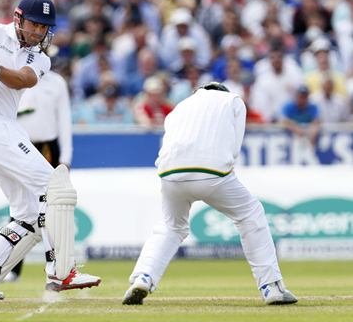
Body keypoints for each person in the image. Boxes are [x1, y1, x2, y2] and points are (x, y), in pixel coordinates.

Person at [0, 0, 100, 300]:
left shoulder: (41, 57)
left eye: (44, 28)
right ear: (18, 18)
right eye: (33, 24)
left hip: (2, 129)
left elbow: (23, 80)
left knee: (29, 214)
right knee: (55, 187)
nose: (37, 32)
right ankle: (62, 272)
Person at [123, 82, 298, 306]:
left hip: (169, 173)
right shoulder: (233, 100)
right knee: (250, 214)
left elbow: (169, 139)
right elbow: (234, 147)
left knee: (170, 227)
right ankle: (271, 287)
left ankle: (143, 277)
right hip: (212, 171)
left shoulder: (181, 106)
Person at [6, 68, 73, 282]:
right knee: (20, 206)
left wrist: (66, 156)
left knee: (52, 208)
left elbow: (64, 119)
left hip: (47, 148)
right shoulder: (15, 76)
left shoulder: (56, 82)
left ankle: (57, 267)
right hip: (20, 145)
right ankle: (11, 269)